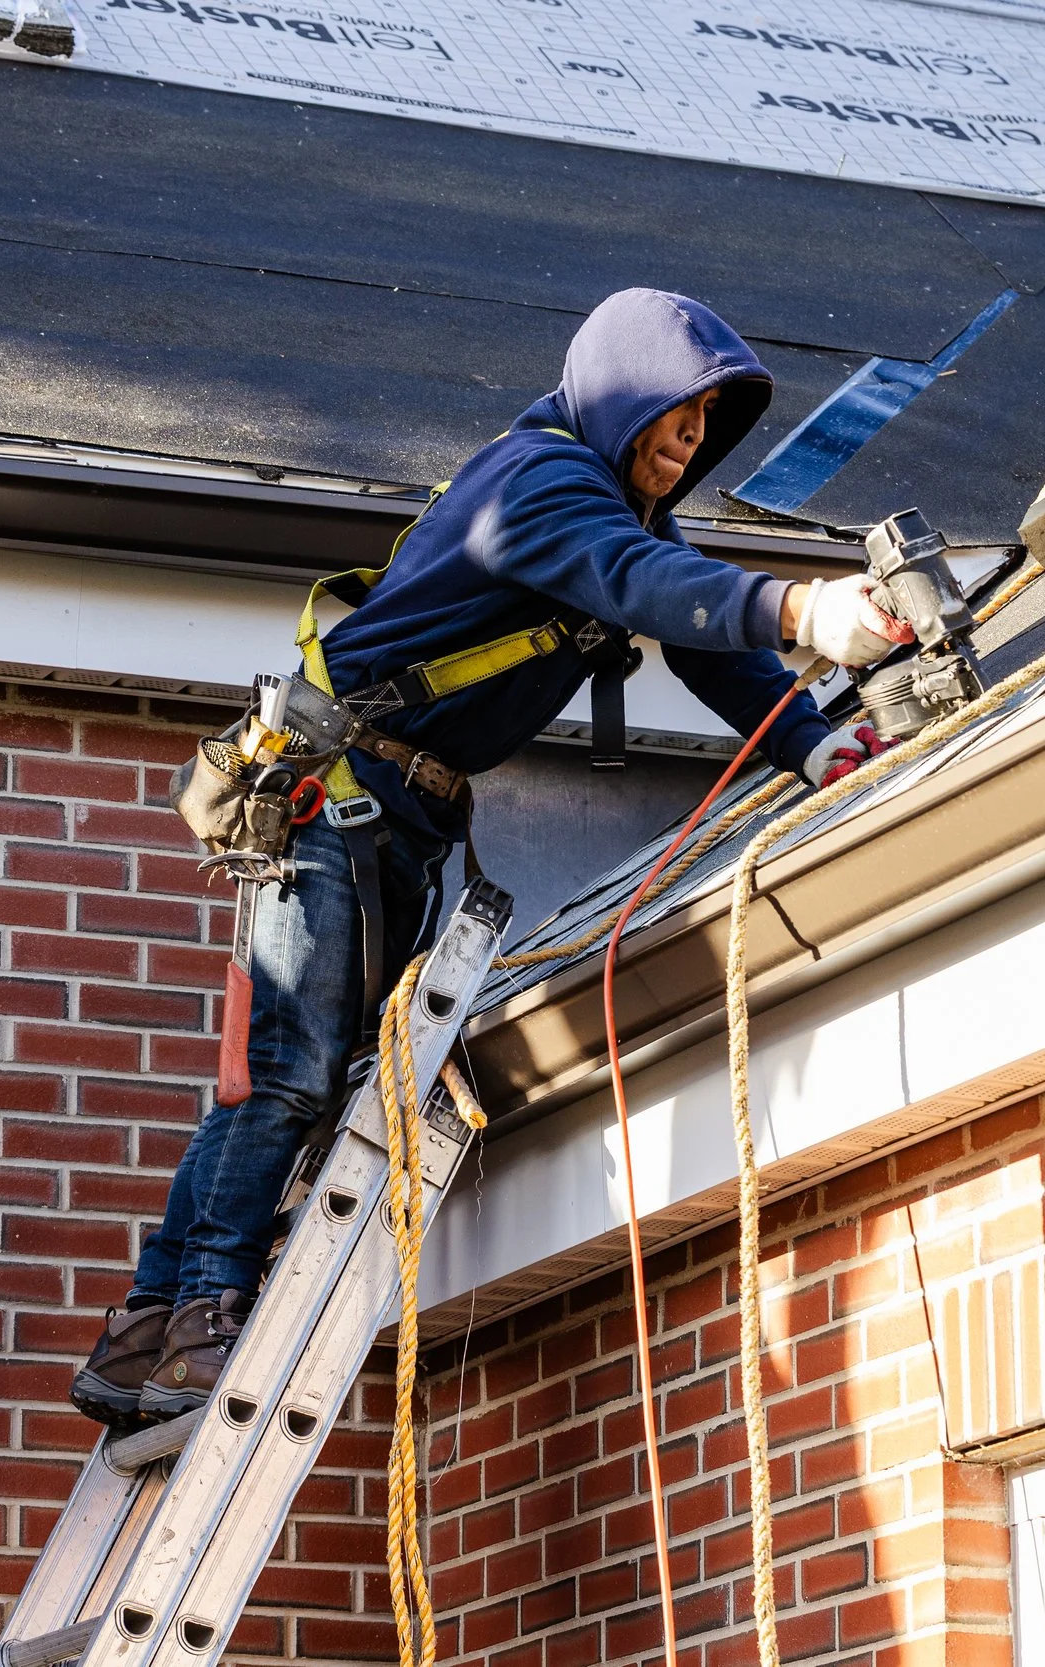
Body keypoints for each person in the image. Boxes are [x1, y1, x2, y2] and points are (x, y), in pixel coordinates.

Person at [72, 288, 912, 1424]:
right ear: (620, 399)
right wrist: (801, 606)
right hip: (339, 797)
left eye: (705, 429)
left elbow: (696, 631)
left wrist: (811, 746)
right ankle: (199, 1317)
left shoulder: (605, 508)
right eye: (673, 418)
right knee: (290, 1072)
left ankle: (141, 1333)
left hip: (392, 813)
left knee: (300, 1074)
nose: (687, 445)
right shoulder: (538, 484)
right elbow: (655, 589)